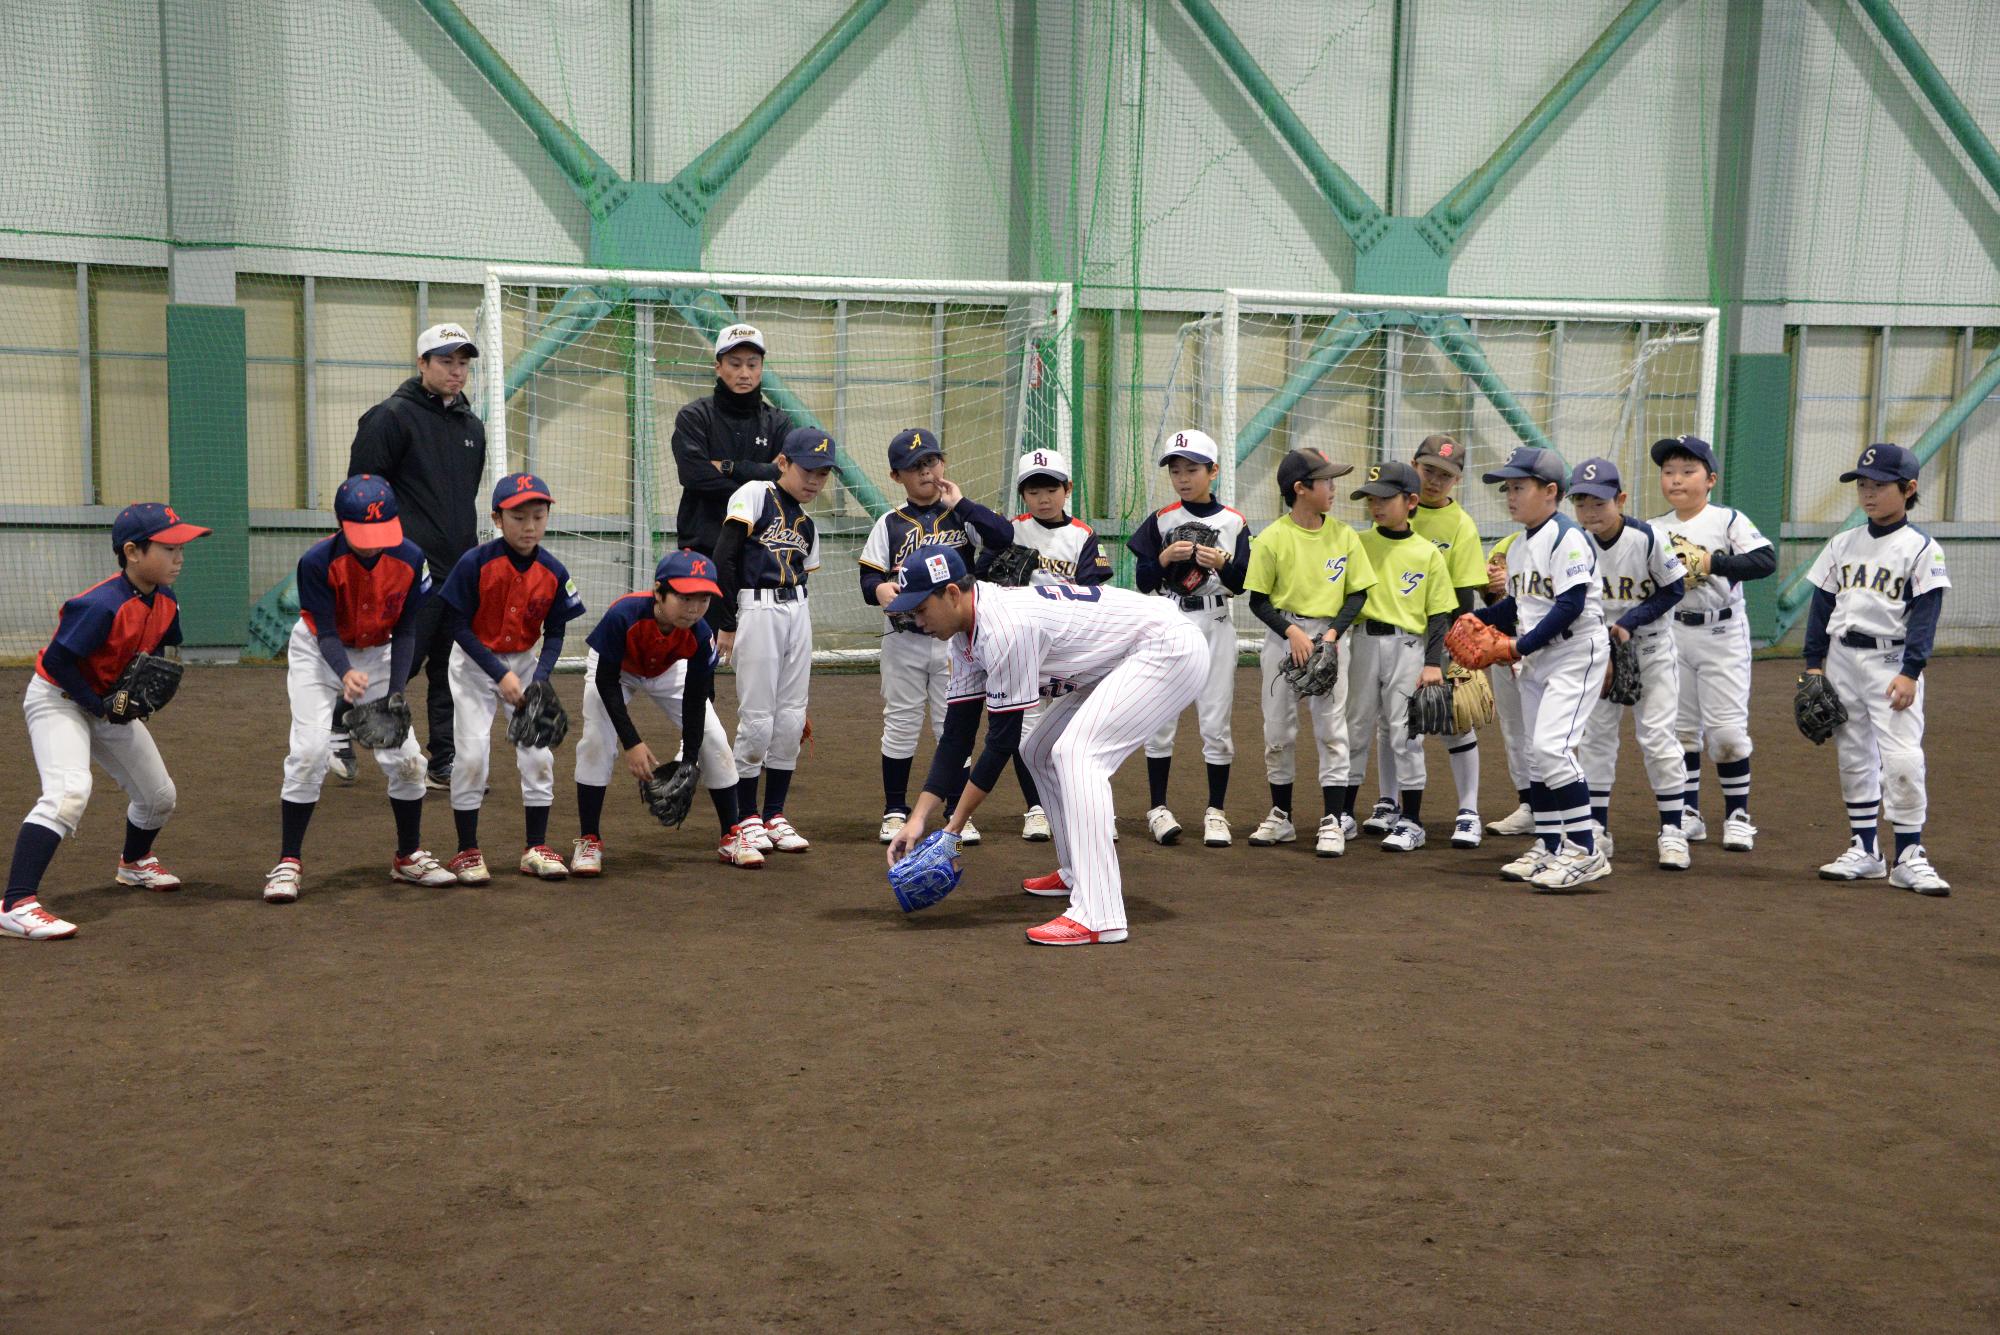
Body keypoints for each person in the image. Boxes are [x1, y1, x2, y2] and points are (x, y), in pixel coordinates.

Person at [882, 544, 1207, 947]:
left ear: (951, 594)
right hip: (1127, 655)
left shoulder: (1004, 628)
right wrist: (919, 817)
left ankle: (1101, 914)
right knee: (1039, 750)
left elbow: (998, 743)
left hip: (1166, 648)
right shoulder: (963, 636)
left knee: (1077, 754)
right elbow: (957, 735)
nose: (917, 621)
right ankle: (1076, 872)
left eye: (920, 609)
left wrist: (953, 829)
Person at [3, 504, 211, 941]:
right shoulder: (99, 605)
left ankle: (134, 864)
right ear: (132, 552)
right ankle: (15, 904)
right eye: (169, 548)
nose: (180, 557)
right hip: (60, 698)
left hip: (106, 700)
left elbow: (160, 652)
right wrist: (99, 705)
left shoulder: (166, 601)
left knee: (159, 796)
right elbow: (59, 661)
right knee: (68, 791)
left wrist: (137, 695)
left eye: (181, 548)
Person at [264, 476, 453, 904]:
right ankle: (288, 861)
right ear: (339, 523)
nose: (371, 545)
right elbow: (326, 632)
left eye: (380, 534)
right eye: (361, 535)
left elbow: (406, 629)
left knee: (407, 760)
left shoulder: (411, 558)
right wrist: (344, 672)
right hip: (318, 651)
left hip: (380, 652)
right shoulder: (317, 562)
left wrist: (395, 692)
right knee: (310, 752)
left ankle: (407, 856)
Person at [345, 321, 488, 792]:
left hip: (458, 571)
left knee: (452, 670)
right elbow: (360, 495)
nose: (457, 371)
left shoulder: (473, 426)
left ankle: (444, 761)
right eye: (446, 361)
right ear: (422, 363)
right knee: (396, 667)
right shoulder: (389, 418)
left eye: (463, 362)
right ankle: (339, 726)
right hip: (406, 572)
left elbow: (463, 496)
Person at [1802, 443, 1950, 895]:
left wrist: (1912, 671)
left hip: (1892, 661)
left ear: (1908, 489)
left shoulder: (1921, 548)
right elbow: (1821, 604)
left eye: (1879, 485)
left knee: (1902, 758)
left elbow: (1926, 614)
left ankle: (1909, 854)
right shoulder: (1842, 543)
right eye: (1863, 485)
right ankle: (1865, 849)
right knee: (1853, 754)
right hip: (1843, 657)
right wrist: (1813, 666)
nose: (1868, 494)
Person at [1461, 448, 1610, 891]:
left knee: (1552, 748)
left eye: (1518, 487)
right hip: (1537, 657)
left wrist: (1516, 645)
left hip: (1574, 653)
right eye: (1507, 488)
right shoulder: (1523, 543)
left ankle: (1584, 851)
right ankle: (1548, 846)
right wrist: (1479, 620)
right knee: (1534, 756)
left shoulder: (1568, 537)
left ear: (1550, 491)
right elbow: (1520, 604)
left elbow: (1571, 604)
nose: (1510, 495)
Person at [858, 427, 1014, 846]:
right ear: (897, 477)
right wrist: (879, 589)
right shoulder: (890, 523)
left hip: (955, 641)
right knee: (902, 721)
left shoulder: (962, 515)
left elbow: (1003, 537)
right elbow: (868, 575)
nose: (926, 472)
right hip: (904, 637)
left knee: (952, 724)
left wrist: (960, 502)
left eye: (931, 462)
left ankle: (954, 809)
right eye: (915, 467)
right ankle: (895, 808)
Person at [435, 473, 587, 884]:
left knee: (539, 757)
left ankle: (534, 847)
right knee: (470, 757)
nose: (530, 526)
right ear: (497, 519)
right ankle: (467, 851)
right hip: (473, 665)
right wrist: (498, 673)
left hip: (524, 665)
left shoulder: (553, 570)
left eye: (538, 516)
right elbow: (457, 625)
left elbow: (556, 631)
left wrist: (539, 679)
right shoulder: (477, 563)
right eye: (518, 517)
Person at [573, 550, 752, 874]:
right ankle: (589, 839)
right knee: (596, 741)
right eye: (685, 598)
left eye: (703, 599)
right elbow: (605, 682)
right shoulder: (624, 615)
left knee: (714, 740)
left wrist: (689, 761)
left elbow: (696, 698)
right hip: (616, 672)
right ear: (659, 592)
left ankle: (731, 834)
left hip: (670, 670)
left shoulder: (699, 634)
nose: (695, 608)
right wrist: (632, 742)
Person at [711, 426, 836, 854]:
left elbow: (805, 576)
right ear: (783, 462)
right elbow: (724, 557)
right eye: (807, 469)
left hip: (796, 610)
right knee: (759, 717)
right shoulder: (755, 493)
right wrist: (726, 621)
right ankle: (746, 816)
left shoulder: (808, 523)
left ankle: (775, 813)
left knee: (790, 717)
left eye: (823, 473)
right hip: (756, 608)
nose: (815, 480)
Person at [1649, 434, 1776, 852]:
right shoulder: (1654, 529)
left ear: (1710, 479)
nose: (1677, 480)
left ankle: (1738, 814)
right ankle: (1689, 812)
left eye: (1688, 471)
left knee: (1727, 735)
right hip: (1673, 633)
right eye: (1669, 472)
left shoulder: (1727, 520)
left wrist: (1712, 562)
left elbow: (1764, 560)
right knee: (1682, 731)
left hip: (1722, 634)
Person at [1243, 449, 1374, 856]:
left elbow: (1357, 593)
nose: (1334, 488)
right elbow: (1258, 600)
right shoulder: (1272, 538)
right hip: (1286, 637)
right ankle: (1281, 816)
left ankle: (1332, 820)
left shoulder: (1344, 535)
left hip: (1331, 638)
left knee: (1332, 730)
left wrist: (1332, 635)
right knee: (1277, 731)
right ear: (1301, 489)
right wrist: (1291, 631)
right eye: (1326, 481)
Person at [1127, 429, 1251, 849]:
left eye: (1192, 469)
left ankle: (1216, 811)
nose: (1183, 477)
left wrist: (1224, 561)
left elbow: (1242, 583)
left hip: (1215, 622)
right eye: (1176, 470)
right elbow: (1144, 582)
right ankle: (1158, 808)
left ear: (1213, 471)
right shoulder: (1162, 519)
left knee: (1215, 722)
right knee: (1160, 721)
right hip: (1170, 621)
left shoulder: (1233, 521)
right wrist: (1162, 558)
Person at [1567, 458, 1690, 870]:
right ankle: (1597, 828)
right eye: (1581, 503)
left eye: (1599, 502)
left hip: (1650, 647)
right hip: (1599, 652)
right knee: (1597, 739)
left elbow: (1673, 590)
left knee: (1657, 736)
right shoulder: (1576, 542)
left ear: (1619, 499)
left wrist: (1627, 623)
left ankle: (1673, 829)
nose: (1590, 512)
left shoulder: (1649, 537)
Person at [989, 448, 1113, 841]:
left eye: (1050, 489)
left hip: (1070, 643)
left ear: (1067, 489)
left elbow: (1095, 590)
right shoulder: (1012, 531)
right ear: (1023, 495)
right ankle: (1037, 808)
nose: (1043, 499)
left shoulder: (1083, 534)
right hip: (1023, 640)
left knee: (1076, 730)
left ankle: (1084, 809)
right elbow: (985, 577)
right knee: (1026, 730)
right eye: (1033, 491)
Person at [1377, 433, 1488, 849]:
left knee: (1454, 719)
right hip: (1397, 635)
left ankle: (1469, 811)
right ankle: (1388, 802)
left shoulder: (1460, 525)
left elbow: (1463, 597)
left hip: (1441, 634)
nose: (1436, 481)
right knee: (1392, 724)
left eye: (1446, 475)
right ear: (1413, 465)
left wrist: (1452, 653)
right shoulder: (1392, 508)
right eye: (1429, 471)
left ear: (1457, 481)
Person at [1345, 462, 1456, 852]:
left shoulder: (1427, 553)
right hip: (1362, 642)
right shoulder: (1357, 543)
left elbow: (1439, 614)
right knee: (1355, 726)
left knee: (1404, 733)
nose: (1376, 506)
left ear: (1410, 501)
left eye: (1385, 498)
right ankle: (1343, 812)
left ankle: (1411, 820)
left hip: (1408, 646)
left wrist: (1432, 662)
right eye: (1371, 499)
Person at [671, 324, 793, 557]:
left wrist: (729, 467)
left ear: (762, 367)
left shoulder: (778, 423)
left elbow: (786, 479)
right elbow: (694, 475)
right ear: (718, 367)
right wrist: (762, 479)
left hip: (761, 549)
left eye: (752, 364)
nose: (744, 373)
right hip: (703, 547)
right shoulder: (694, 416)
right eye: (735, 364)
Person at [1480, 530, 1538, 838]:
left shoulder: (1564, 537)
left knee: (1545, 734)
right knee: (1514, 729)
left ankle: (1561, 808)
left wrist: (1511, 581)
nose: (1513, 496)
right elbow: (1492, 594)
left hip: (1544, 649)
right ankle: (1528, 806)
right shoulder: (1507, 542)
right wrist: (1489, 584)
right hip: (1506, 644)